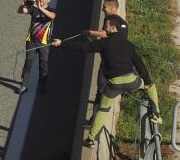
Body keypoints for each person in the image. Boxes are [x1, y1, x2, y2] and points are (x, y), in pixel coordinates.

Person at [52, 17, 161, 147]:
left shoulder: (104, 43)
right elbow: (140, 65)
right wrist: (147, 82)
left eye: (107, 26)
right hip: (131, 81)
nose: (104, 28)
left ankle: (91, 139)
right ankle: (156, 114)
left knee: (103, 110)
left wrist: (62, 43)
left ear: (114, 28)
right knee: (151, 86)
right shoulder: (128, 44)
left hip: (114, 84)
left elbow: (83, 47)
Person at [18, 0, 57, 94]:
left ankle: (43, 86)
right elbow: (21, 11)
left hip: (44, 43)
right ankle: (24, 85)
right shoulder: (34, 8)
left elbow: (53, 16)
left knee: (43, 65)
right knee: (28, 63)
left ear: (49, 0)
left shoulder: (51, 10)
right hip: (31, 41)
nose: (41, 0)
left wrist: (40, 8)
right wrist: (22, 5)